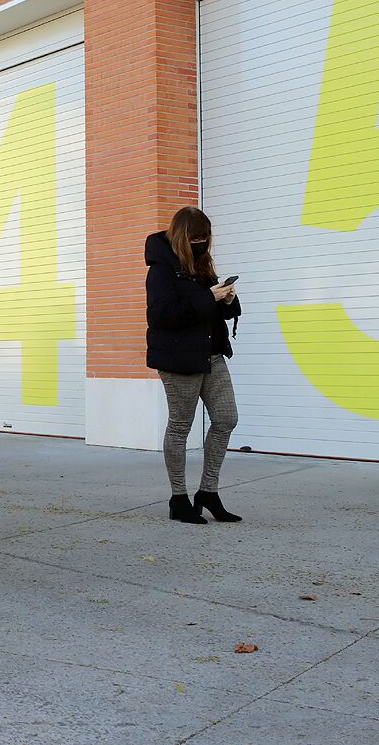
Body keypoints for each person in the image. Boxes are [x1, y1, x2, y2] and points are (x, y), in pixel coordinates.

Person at [145, 206, 242, 524]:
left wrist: (227, 300)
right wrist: (207, 299)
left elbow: (213, 311)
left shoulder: (202, 265)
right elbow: (162, 316)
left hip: (211, 355)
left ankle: (208, 492)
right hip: (179, 361)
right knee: (179, 428)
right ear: (181, 237)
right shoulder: (161, 270)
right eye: (195, 238)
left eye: (205, 238)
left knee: (227, 419)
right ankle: (178, 499)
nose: (201, 243)